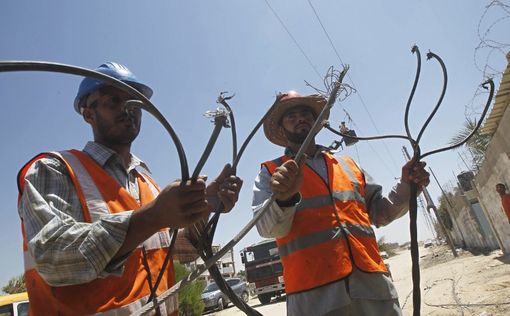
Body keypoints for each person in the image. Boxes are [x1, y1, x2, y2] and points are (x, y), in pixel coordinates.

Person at [17, 62, 243, 315]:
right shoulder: (54, 170)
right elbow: (52, 259)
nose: (127, 109)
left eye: (134, 103)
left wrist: (201, 210)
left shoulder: (146, 182)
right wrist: (153, 216)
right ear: (88, 113)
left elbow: (174, 253)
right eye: (113, 100)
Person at [252, 91, 430, 316]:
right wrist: (284, 199)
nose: (301, 118)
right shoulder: (271, 172)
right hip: (316, 299)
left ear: (317, 122)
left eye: (306, 113)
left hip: (374, 289)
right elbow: (268, 228)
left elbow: (380, 213)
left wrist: (407, 185)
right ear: (281, 129)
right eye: (292, 116)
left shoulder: (347, 164)